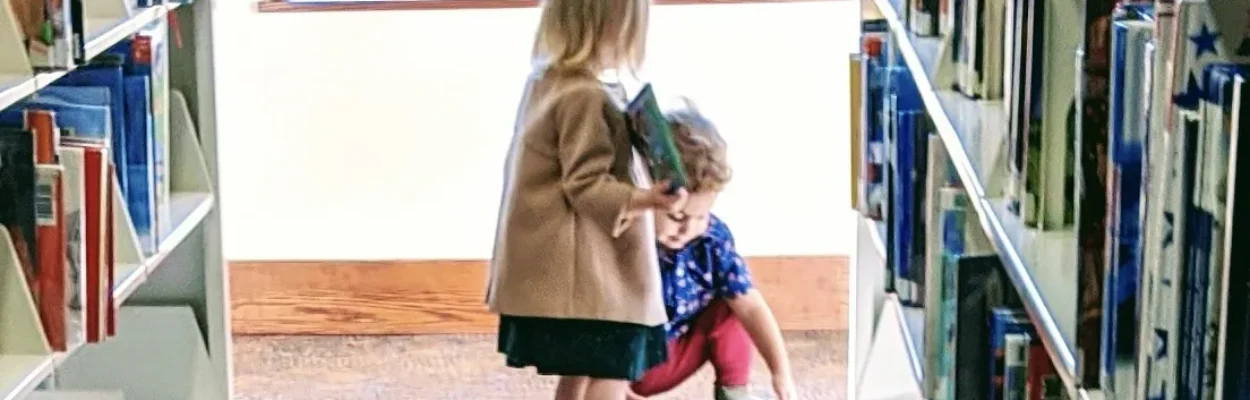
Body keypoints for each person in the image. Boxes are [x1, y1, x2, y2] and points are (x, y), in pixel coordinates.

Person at [484, 0, 688, 397]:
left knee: (580, 373)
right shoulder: (585, 97)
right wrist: (649, 199)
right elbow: (586, 185)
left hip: (560, 278)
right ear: (616, 27)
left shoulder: (547, 81)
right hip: (589, 284)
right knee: (610, 370)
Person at [627, 102, 797, 400]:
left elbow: (751, 306)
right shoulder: (627, 240)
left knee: (732, 307)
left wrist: (780, 371)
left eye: (701, 217)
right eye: (678, 217)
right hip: (621, 363)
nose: (688, 229)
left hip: (673, 352)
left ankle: (733, 396)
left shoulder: (712, 241)